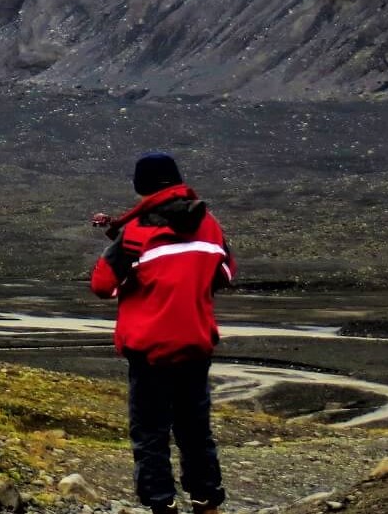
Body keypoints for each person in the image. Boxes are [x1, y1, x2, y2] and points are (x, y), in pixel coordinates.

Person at [90, 151, 234, 514]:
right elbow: (225, 273)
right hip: (196, 342)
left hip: (150, 348)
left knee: (151, 434)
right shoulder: (210, 225)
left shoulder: (137, 234)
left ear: (142, 187)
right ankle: (206, 503)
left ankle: (161, 505)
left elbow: (102, 285)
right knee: (195, 430)